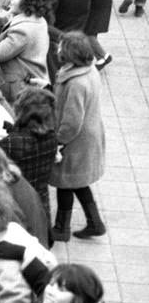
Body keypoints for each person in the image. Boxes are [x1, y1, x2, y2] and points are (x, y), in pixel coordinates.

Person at [49, 32, 107, 240]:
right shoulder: (89, 72)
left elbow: (72, 121)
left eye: (61, 47)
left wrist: (58, 141)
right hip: (88, 136)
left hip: (75, 141)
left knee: (66, 182)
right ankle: (95, 222)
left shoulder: (75, 83)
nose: (57, 49)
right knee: (79, 181)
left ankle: (61, 228)